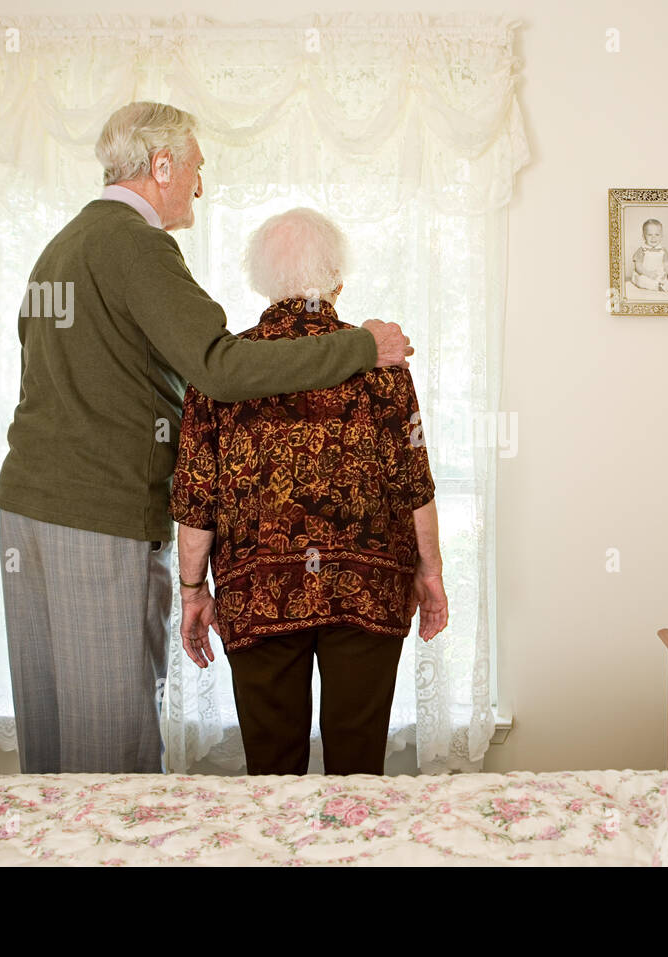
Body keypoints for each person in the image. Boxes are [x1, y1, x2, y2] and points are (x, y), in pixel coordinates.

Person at [0, 102, 413, 774]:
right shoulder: (134, 242)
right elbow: (221, 367)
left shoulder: (65, 244)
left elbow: (42, 366)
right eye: (194, 165)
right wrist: (360, 346)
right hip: (94, 512)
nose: (199, 181)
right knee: (112, 746)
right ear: (161, 165)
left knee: (50, 742)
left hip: (28, 506)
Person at [170, 207, 449, 776]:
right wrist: (430, 572)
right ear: (337, 282)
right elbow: (412, 477)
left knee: (272, 772)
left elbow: (196, 497)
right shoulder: (379, 357)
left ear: (262, 282)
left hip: (258, 590)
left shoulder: (222, 369)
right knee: (357, 767)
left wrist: (193, 589)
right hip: (367, 588)